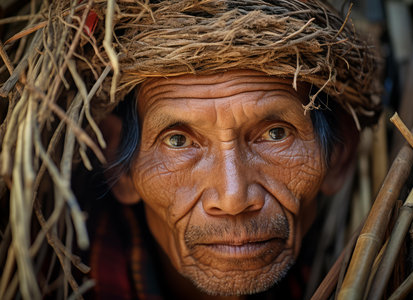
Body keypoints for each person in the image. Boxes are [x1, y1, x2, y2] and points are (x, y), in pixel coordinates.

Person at [70, 0, 381, 299]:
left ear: (338, 154)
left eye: (275, 134)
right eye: (178, 141)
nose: (233, 199)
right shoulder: (57, 281)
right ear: (119, 167)